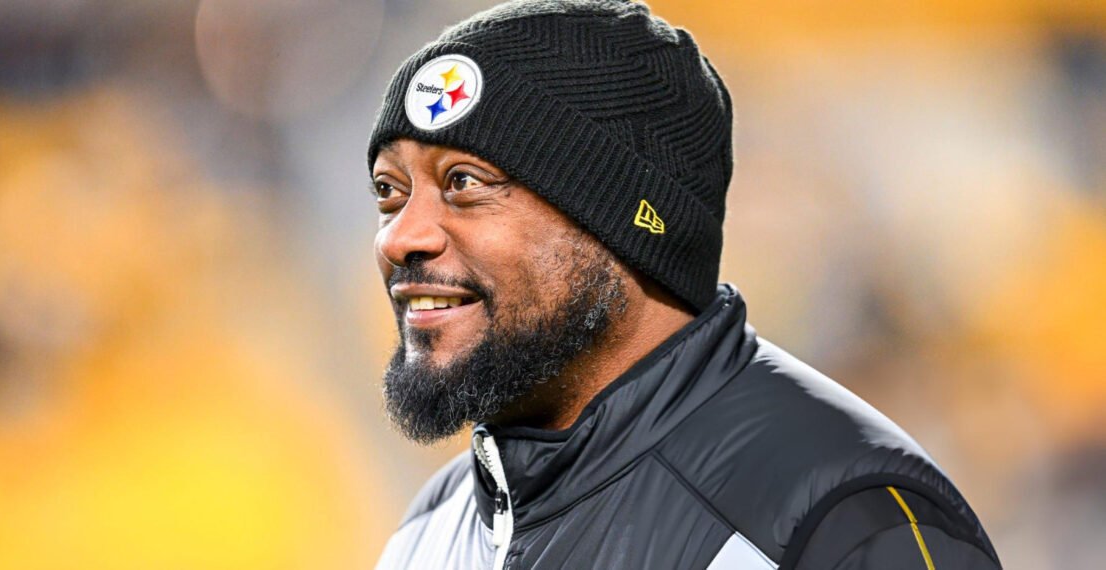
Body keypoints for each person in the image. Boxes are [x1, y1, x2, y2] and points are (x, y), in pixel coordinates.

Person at [366, 1, 1001, 568]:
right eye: (390, 191)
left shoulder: (840, 523)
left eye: (465, 182)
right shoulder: (434, 523)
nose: (399, 238)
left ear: (624, 222)